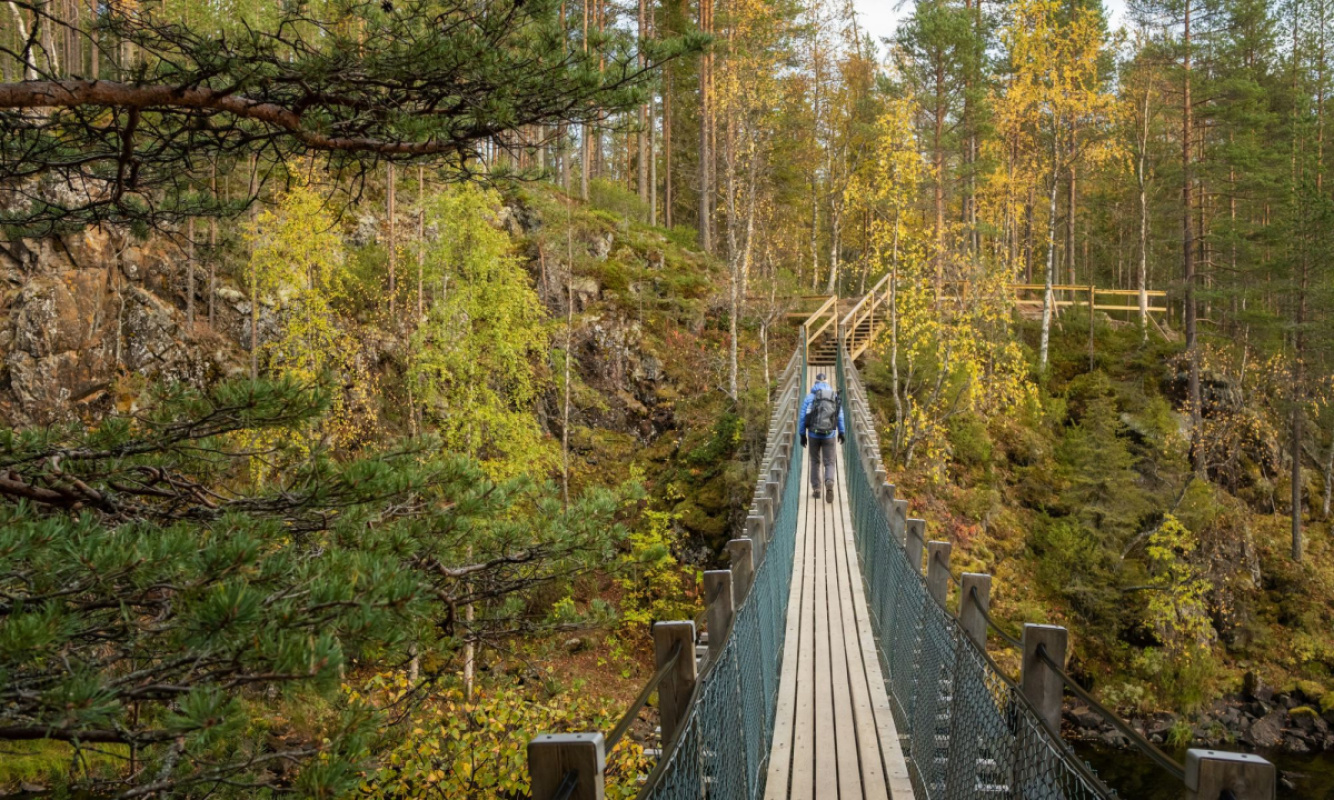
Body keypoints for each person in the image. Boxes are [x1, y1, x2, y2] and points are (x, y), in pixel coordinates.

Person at [799, 372, 845, 503]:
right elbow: (840, 416)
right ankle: (829, 481)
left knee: (815, 461)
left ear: (815, 383)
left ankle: (817, 489)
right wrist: (842, 432)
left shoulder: (809, 398)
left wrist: (802, 435)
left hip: (813, 434)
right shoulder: (834, 396)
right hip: (829, 434)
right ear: (827, 382)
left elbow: (803, 417)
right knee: (829, 462)